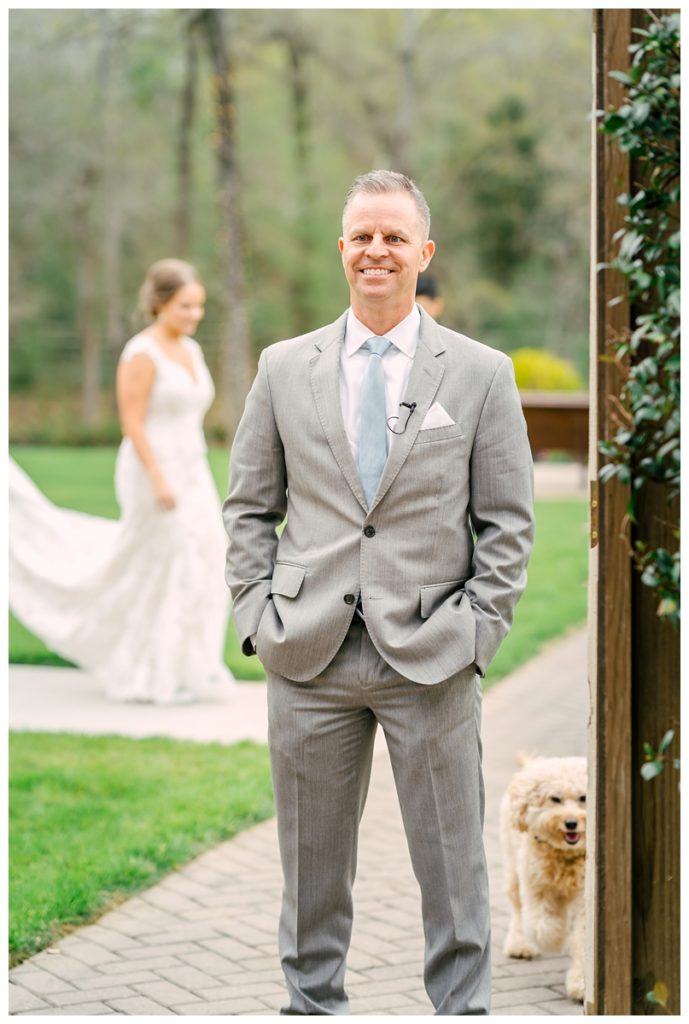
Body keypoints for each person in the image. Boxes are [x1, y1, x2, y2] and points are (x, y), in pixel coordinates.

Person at [223, 170, 534, 1014]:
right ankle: (310, 1005)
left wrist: (477, 632)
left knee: (452, 868)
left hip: (431, 656)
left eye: (394, 236)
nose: (376, 250)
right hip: (307, 654)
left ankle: (460, 1009)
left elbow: (507, 524)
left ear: (423, 252)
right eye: (362, 235)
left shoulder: (479, 373)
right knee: (310, 871)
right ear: (341, 250)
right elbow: (250, 505)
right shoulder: (284, 367)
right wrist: (258, 613)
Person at [9, 259, 234, 705]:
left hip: (192, 469)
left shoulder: (191, 350)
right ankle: (152, 673)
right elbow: (132, 421)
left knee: (207, 556)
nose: (194, 315)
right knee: (162, 563)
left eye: (199, 306)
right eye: (186, 306)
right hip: (152, 471)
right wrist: (158, 479)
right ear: (159, 303)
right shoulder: (141, 353)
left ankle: (193, 666)